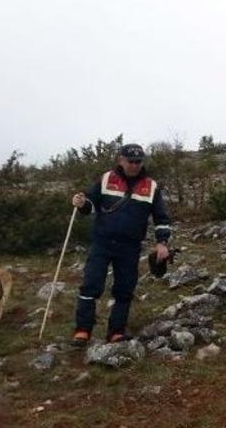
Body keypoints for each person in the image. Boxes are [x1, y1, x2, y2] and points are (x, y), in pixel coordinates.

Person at [70, 144, 171, 346]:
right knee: (91, 284)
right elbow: (91, 205)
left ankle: (116, 332)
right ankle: (82, 330)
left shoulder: (151, 186)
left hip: (130, 246)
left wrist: (162, 243)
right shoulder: (107, 178)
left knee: (125, 289)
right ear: (121, 160)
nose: (134, 165)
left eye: (138, 161)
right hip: (102, 241)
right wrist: (82, 203)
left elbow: (161, 217)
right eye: (130, 161)